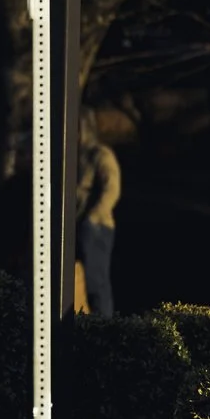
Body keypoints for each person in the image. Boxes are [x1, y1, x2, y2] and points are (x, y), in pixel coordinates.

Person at [77, 116, 121, 318]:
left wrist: (93, 217)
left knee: (96, 281)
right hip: (78, 226)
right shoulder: (77, 157)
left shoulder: (100, 155)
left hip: (96, 227)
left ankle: (104, 328)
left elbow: (111, 189)